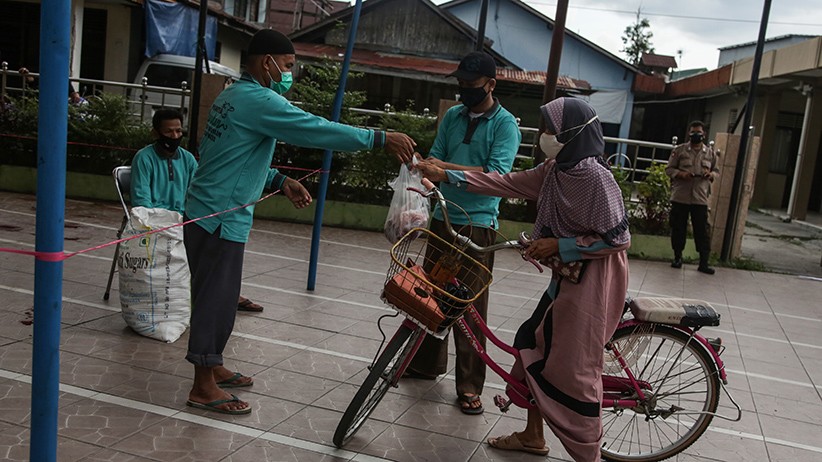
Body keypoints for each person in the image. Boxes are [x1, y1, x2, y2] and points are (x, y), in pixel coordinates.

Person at [182, 29, 416, 415]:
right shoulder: (259, 100)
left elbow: (230, 154)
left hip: (210, 211)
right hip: (219, 217)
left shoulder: (232, 95)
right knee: (215, 300)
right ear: (267, 63)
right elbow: (314, 128)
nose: (290, 73)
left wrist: (278, 180)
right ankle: (202, 386)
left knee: (220, 296)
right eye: (288, 65)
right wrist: (378, 138)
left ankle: (213, 364)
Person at [417, 98, 630, 460]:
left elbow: (618, 239)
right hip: (567, 275)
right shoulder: (556, 170)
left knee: (573, 369)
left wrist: (559, 244)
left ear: (571, 133)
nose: (544, 135)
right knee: (532, 342)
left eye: (551, 129)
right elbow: (506, 183)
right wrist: (447, 176)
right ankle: (533, 435)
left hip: (595, 280)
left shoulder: (595, 178)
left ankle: (587, 452)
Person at [404, 51, 520, 416]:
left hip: (478, 224)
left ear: (491, 85)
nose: (464, 90)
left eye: (471, 85)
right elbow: (436, 156)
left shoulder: (505, 125)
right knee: (431, 294)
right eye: (461, 84)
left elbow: (496, 175)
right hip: (443, 216)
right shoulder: (454, 116)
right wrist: (424, 167)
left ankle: (470, 385)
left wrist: (446, 171)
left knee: (468, 306)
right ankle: (425, 364)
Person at [130, 109, 267, 314]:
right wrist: (167, 221)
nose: (175, 136)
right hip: (156, 223)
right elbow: (142, 202)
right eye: (168, 132)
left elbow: (198, 191)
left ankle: (226, 294)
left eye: (178, 131)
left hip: (186, 220)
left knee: (217, 243)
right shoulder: (143, 158)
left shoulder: (187, 159)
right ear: (155, 133)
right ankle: (214, 295)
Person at [665, 120, 719, 275]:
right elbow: (669, 169)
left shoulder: (710, 153)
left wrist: (710, 175)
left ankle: (703, 262)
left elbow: (716, 171)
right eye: (693, 132)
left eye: (699, 132)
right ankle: (677, 258)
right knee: (678, 228)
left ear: (704, 134)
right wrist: (681, 174)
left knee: (702, 231)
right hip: (681, 196)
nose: (696, 135)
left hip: (700, 198)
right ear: (689, 133)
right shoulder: (680, 150)